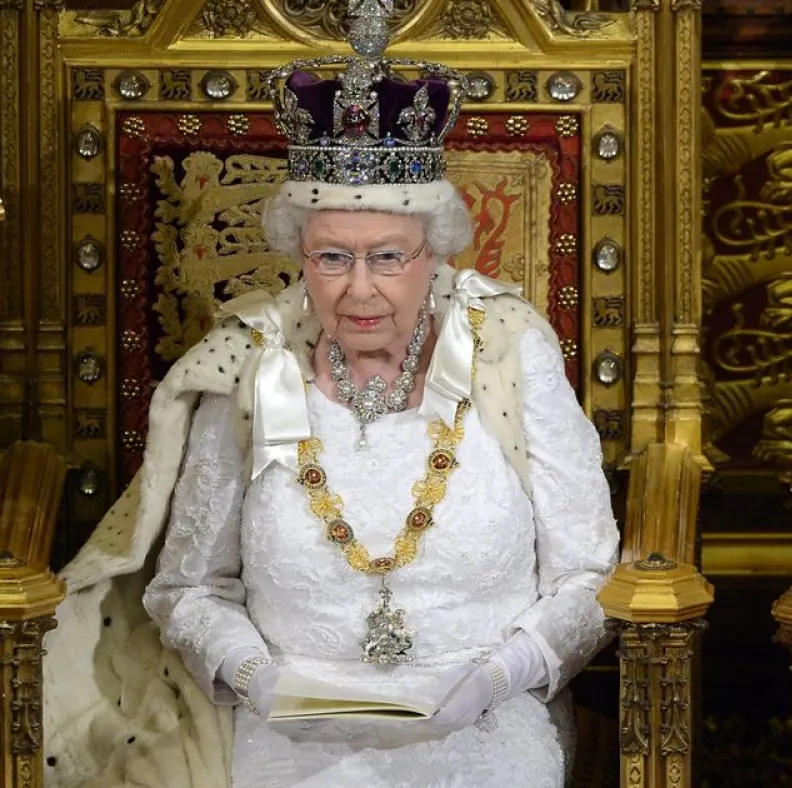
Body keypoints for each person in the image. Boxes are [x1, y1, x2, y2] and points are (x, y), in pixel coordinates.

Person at [41, 2, 619, 786]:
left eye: (387, 256)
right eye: (331, 259)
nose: (359, 290)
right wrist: (257, 679)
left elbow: (588, 574)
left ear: (435, 252)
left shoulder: (511, 354)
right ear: (299, 256)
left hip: (484, 720)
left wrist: (499, 676)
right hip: (285, 733)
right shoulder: (249, 370)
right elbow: (188, 587)